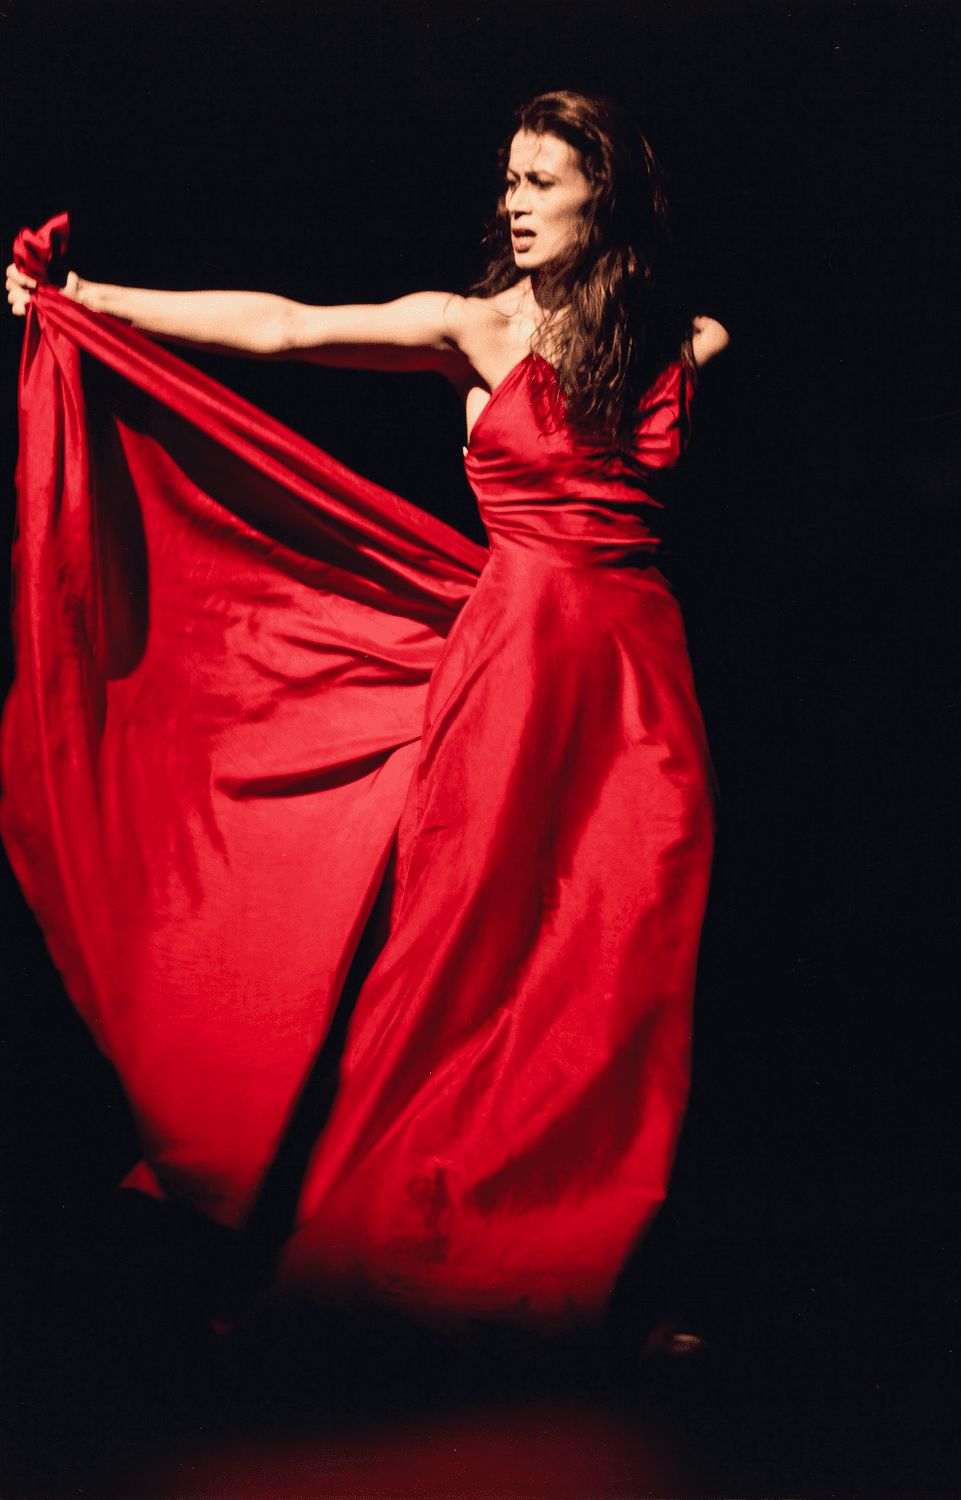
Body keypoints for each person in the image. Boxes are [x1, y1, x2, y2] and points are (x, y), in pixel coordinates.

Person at [5, 91, 728, 1347]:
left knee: (619, 968)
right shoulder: (475, 326)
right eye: (507, 177)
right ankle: (391, 1261)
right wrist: (96, 302)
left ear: (601, 195)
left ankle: (588, 1269)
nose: (511, 198)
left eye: (539, 180)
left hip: (640, 681)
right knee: (466, 966)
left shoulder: (689, 341)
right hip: (514, 673)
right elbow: (286, 330)